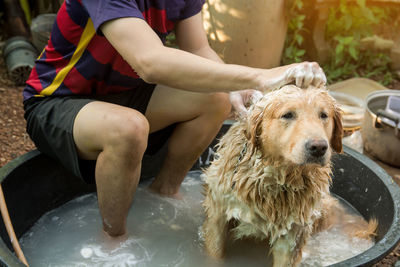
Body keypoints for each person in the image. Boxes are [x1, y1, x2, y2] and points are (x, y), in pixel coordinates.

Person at [23, 0, 327, 237]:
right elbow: (150, 62)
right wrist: (260, 75)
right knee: (129, 128)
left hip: (128, 95)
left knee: (215, 99)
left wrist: (237, 88)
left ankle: (165, 193)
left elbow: (197, 48)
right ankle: (114, 239)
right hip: (58, 101)